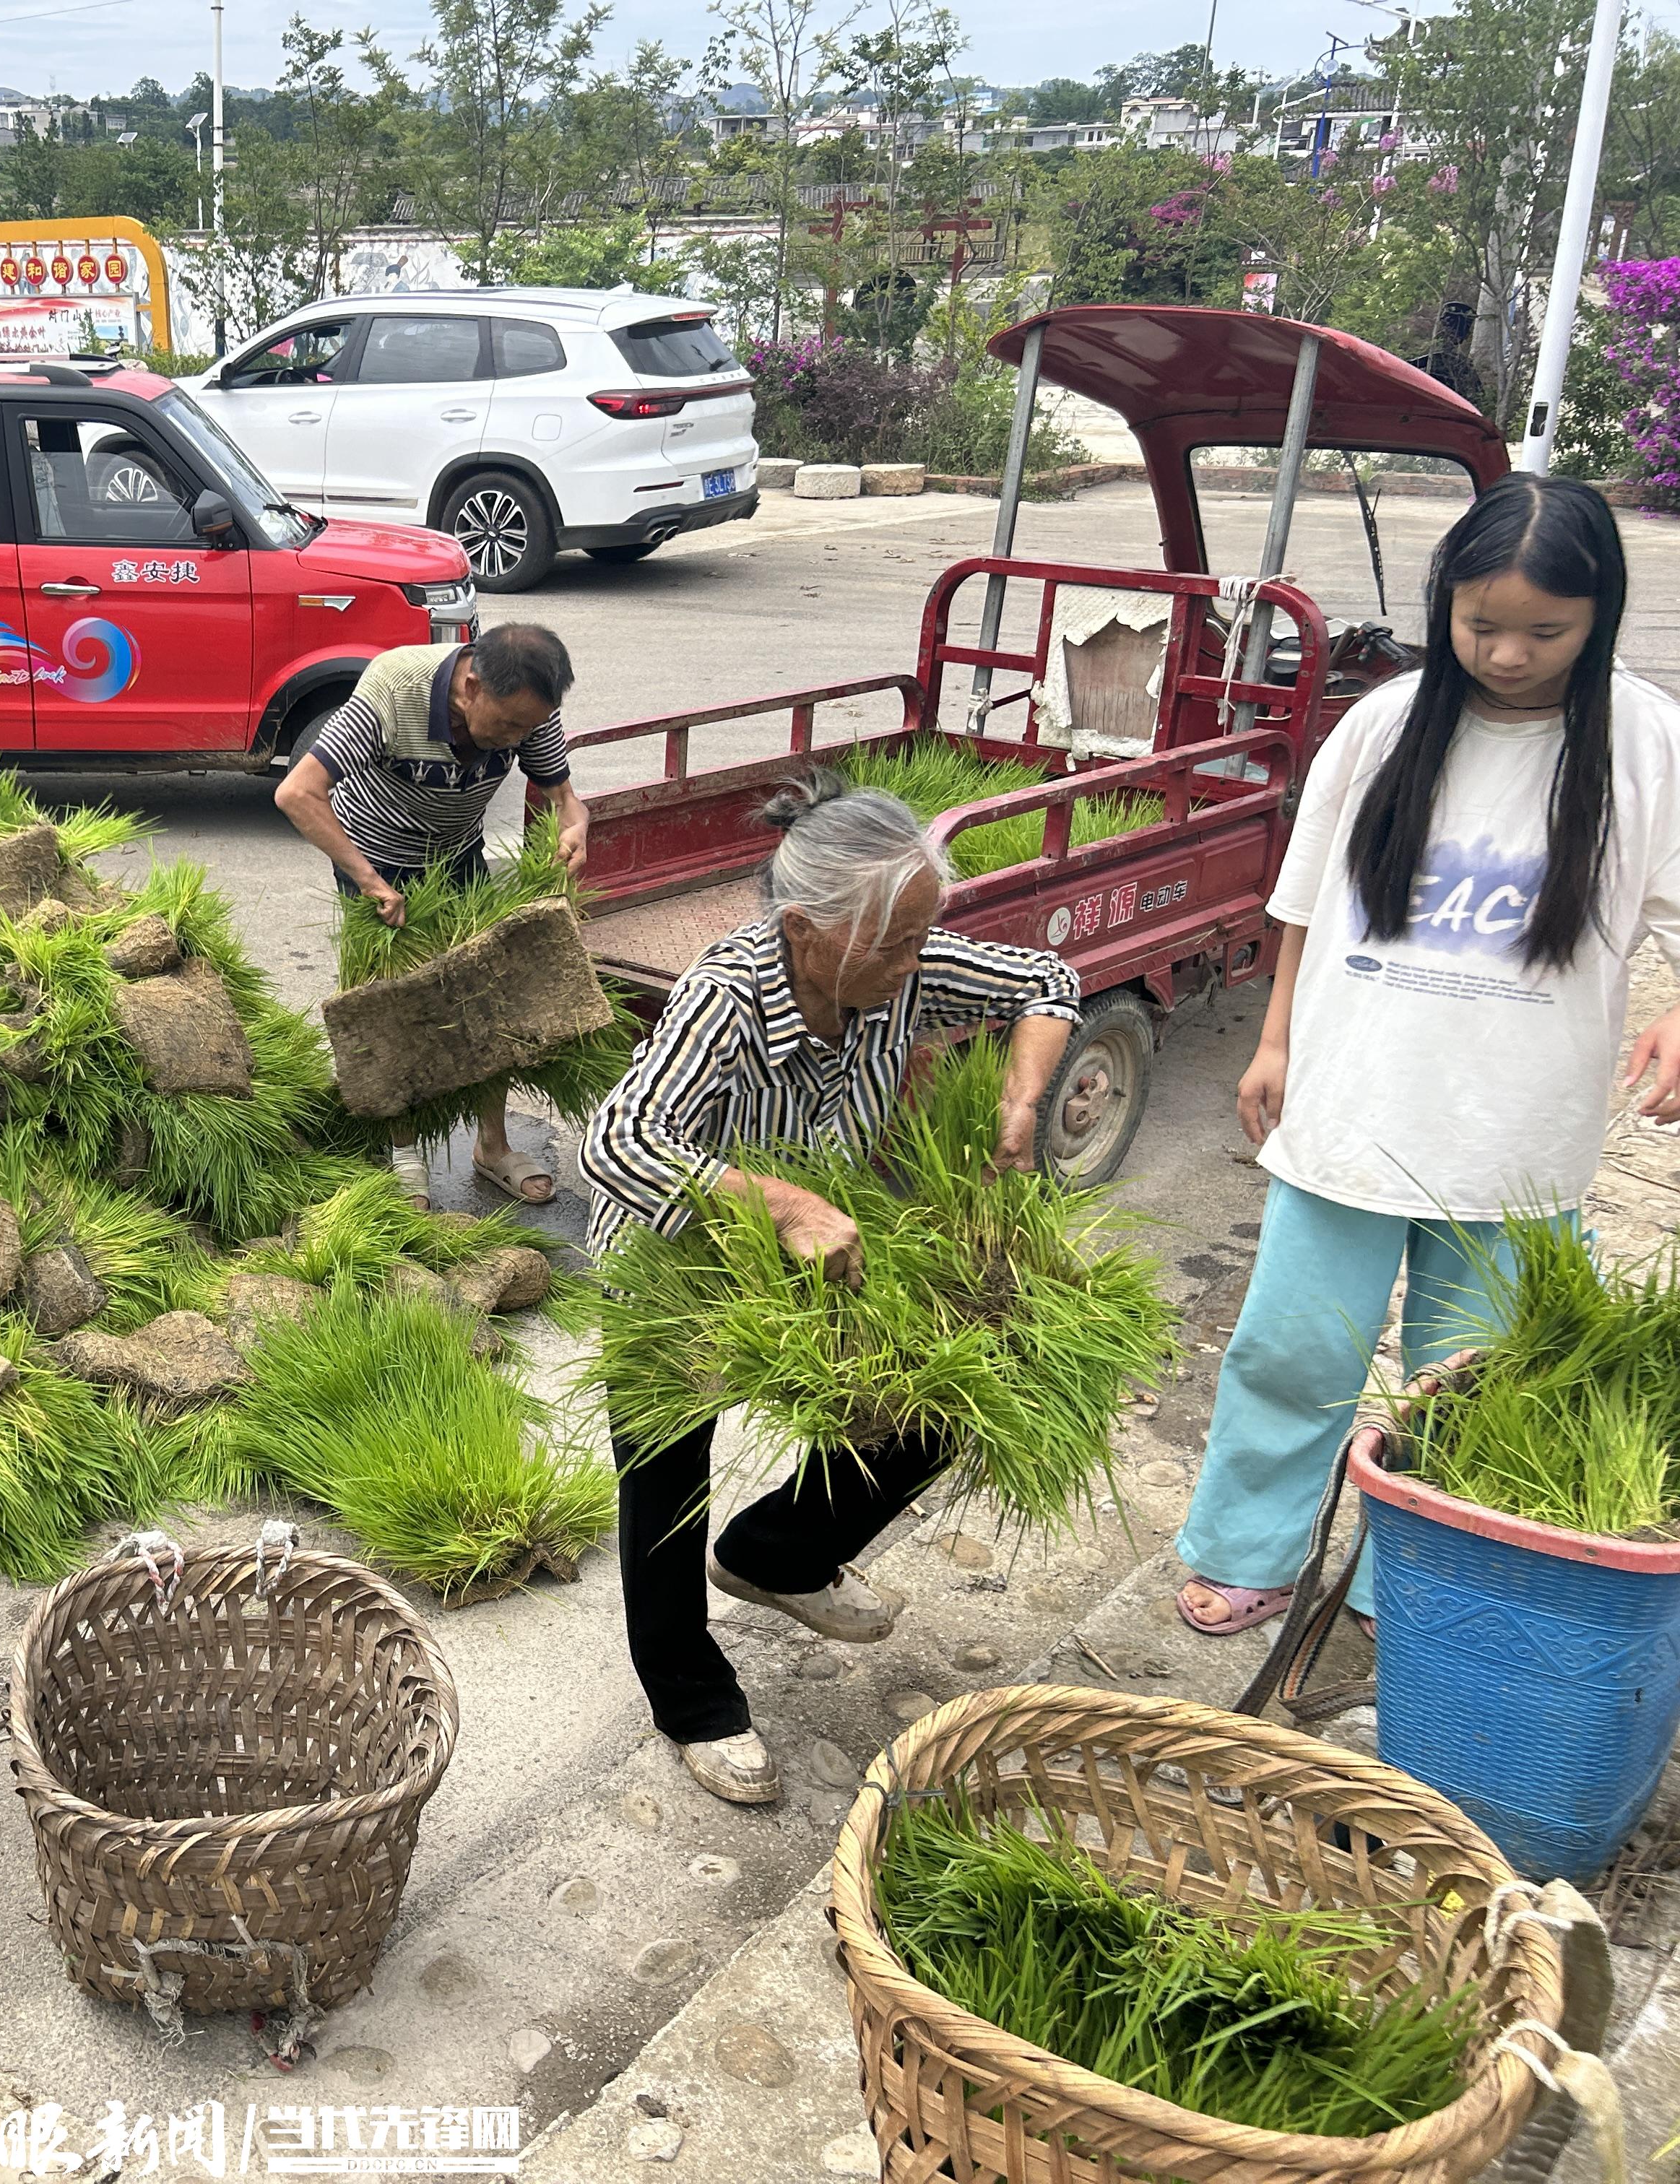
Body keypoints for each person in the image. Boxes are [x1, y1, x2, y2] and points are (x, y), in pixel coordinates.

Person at [1177, 473, 1680, 1639]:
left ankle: (1401, 1572)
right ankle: (1248, 1545)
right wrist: (1272, 1038)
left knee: (1473, 1375)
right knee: (1291, 1349)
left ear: (1598, 614)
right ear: (1441, 602)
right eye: (1479, 623)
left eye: (1544, 630)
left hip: (1517, 1128)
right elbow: (1301, 894)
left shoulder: (1646, 739)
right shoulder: (1390, 719)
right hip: (1355, 1100)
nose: (1506, 653)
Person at [579, 774, 1079, 1804]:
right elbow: (617, 1139)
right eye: (892, 946)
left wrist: (1021, 1103)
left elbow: (1049, 979)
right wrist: (780, 1202)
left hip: (825, 1247)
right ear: (805, 929)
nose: (912, 968)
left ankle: (776, 1554)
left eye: (920, 941)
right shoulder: (728, 995)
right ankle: (691, 1699)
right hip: (676, 1255)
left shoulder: (907, 972)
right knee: (666, 1475)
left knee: (945, 1394)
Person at [274, 624, 590, 1206]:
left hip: (458, 852)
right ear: (471, 687)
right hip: (376, 858)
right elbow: (297, 793)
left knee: (485, 995)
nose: (516, 739)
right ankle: (402, 1151)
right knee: (390, 1007)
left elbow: (563, 795)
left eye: (528, 727)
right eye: (509, 726)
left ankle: (492, 1147)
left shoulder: (528, 705)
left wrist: (576, 824)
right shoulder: (394, 690)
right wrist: (369, 879)